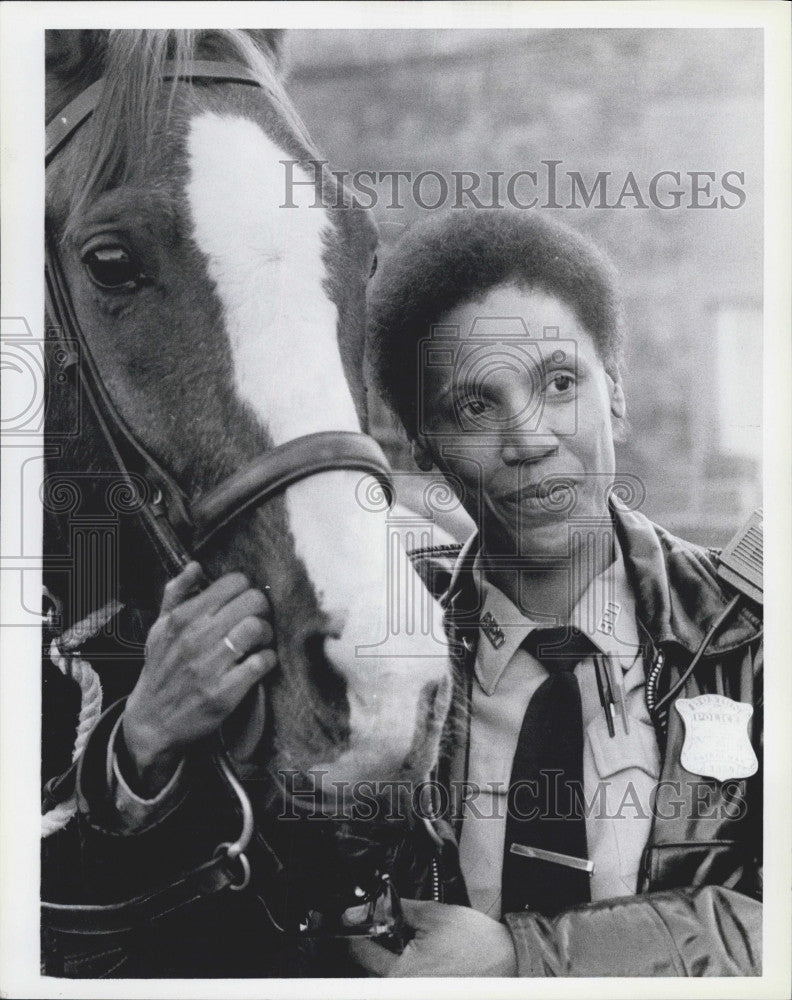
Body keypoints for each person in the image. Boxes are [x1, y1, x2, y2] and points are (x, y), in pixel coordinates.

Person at [348, 209, 762, 976]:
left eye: (561, 383)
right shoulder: (383, 646)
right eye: (475, 406)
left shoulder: (755, 638)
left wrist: (521, 960)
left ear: (617, 395)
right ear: (422, 446)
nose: (529, 439)